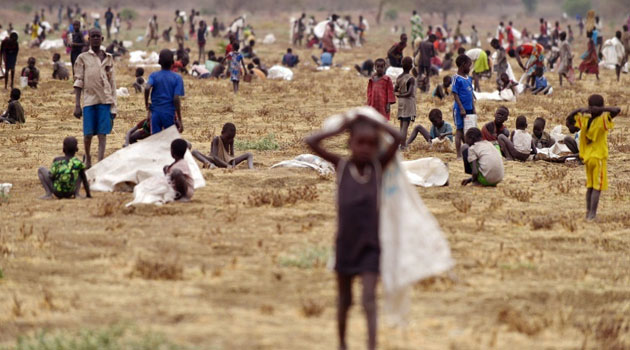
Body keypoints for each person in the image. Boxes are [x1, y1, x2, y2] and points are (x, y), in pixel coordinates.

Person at [306, 113, 401, 350]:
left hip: (370, 246)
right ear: (350, 143)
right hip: (346, 245)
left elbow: (399, 137)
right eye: (360, 142)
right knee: (344, 301)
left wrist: (377, 124)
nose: (366, 148)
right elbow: (311, 142)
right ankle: (342, 343)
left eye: (372, 143)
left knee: (369, 299)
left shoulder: (378, 168)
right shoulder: (343, 166)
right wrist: (342, 128)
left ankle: (371, 346)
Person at [565, 95, 621, 220]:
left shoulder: (584, 120)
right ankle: (592, 215)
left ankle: (588, 213)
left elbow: (568, 122)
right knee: (597, 187)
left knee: (590, 186)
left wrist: (580, 109)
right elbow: (617, 110)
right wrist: (602, 109)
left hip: (587, 158)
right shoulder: (603, 120)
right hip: (599, 158)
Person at [73, 28, 117, 169]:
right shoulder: (82, 58)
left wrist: (114, 106)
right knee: (88, 134)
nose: (96, 38)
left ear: (102, 39)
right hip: (89, 101)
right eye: (93, 36)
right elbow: (78, 81)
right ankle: (88, 159)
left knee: (102, 134)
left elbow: (112, 84)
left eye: (98, 36)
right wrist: (77, 105)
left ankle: (100, 162)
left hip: (105, 101)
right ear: (89, 39)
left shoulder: (109, 58)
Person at [145, 49, 185, 135]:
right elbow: (176, 98)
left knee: (155, 139)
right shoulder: (177, 78)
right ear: (173, 62)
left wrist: (146, 104)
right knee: (169, 139)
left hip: (155, 113)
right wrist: (180, 120)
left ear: (159, 61)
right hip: (169, 113)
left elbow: (147, 87)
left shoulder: (154, 75)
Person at [452, 54, 475, 158]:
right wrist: (461, 107)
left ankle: (467, 151)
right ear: (463, 65)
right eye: (469, 65)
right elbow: (455, 94)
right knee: (459, 131)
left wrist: (473, 108)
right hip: (460, 109)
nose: (470, 68)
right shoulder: (457, 78)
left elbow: (471, 94)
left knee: (468, 131)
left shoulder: (468, 78)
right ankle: (458, 154)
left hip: (469, 108)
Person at [395, 57, 416, 149]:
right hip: (408, 102)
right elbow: (409, 93)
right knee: (405, 125)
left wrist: (399, 95)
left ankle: (400, 143)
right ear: (411, 66)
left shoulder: (399, 77)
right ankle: (403, 145)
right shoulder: (411, 78)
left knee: (401, 124)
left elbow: (395, 90)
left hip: (401, 103)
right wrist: (402, 95)